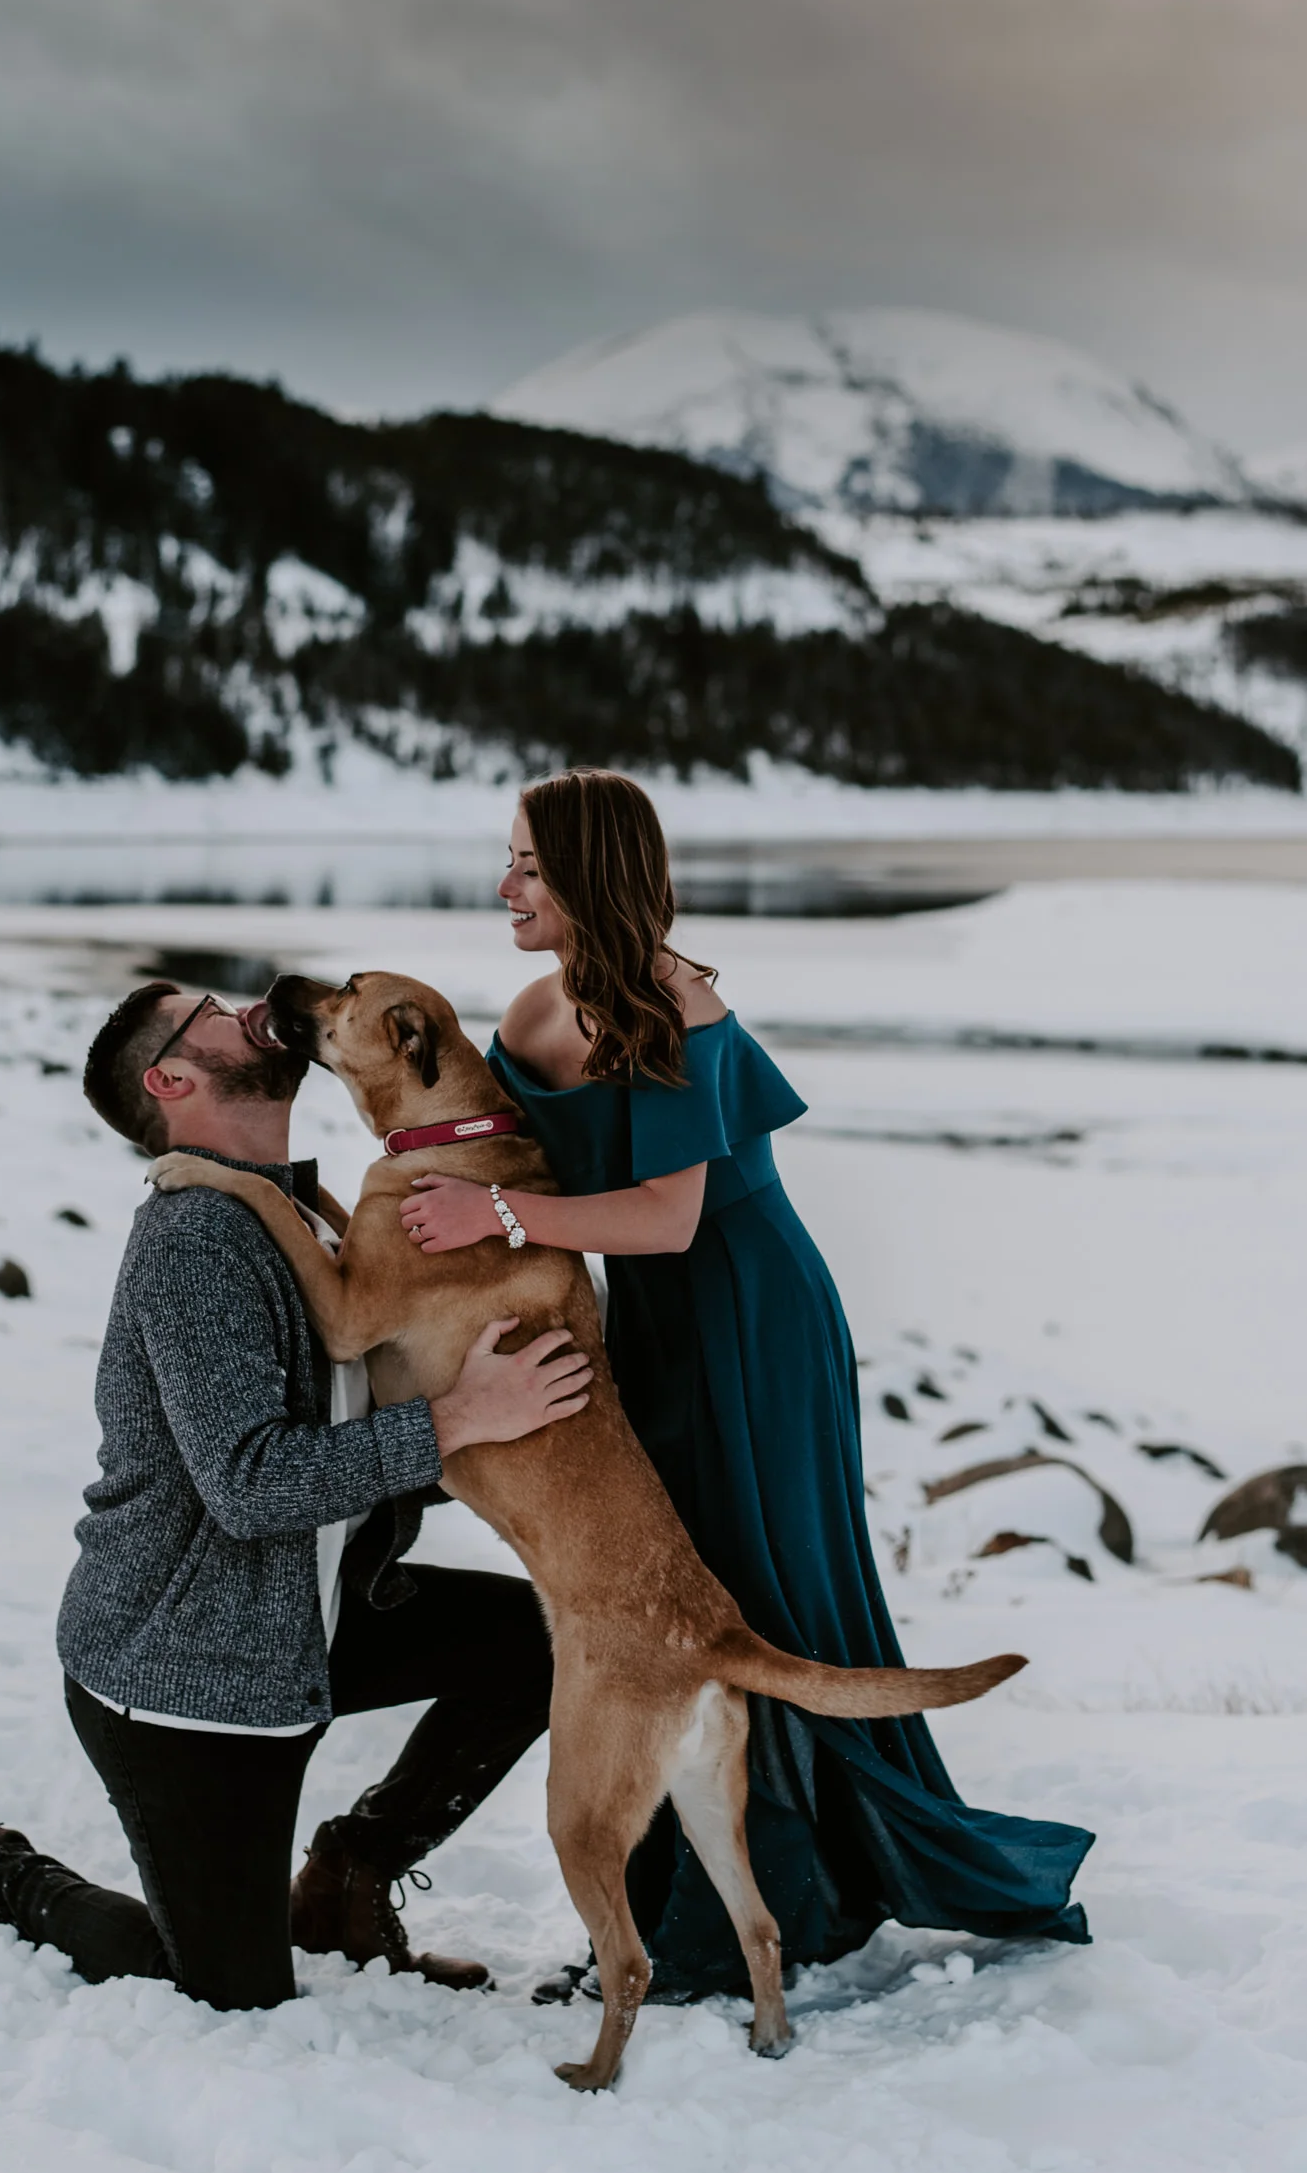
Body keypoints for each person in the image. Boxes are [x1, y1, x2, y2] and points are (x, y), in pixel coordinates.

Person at [398, 769, 1091, 2001]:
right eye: (505, 861)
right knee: (672, 1603)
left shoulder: (677, 1007)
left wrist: (494, 1210)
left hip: (751, 1316)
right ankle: (686, 1900)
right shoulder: (529, 1004)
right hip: (655, 1327)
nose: (503, 886)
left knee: (762, 1594)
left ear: (588, 876)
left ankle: (765, 1913)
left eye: (528, 867)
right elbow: (477, 1134)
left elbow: (667, 1219)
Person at [0, 981, 591, 2014]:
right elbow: (252, 1486)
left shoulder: (300, 1207)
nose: (246, 1004)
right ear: (171, 1079)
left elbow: (354, 1428)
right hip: (187, 1668)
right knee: (221, 1990)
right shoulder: (197, 1240)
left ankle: (348, 1877)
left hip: (306, 1620)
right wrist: (455, 1422)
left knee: (544, 1641)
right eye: (206, 1010)